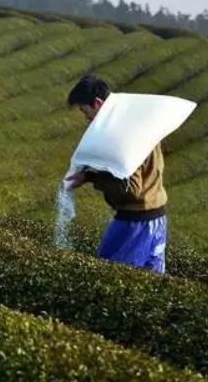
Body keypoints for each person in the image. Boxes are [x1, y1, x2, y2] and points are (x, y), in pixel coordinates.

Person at [65, 76, 167, 273]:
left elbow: (131, 188)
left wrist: (93, 178)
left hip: (138, 220)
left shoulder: (123, 133)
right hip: (150, 215)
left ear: (97, 103)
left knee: (114, 277)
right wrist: (87, 176)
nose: (86, 118)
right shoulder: (131, 120)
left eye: (84, 111)